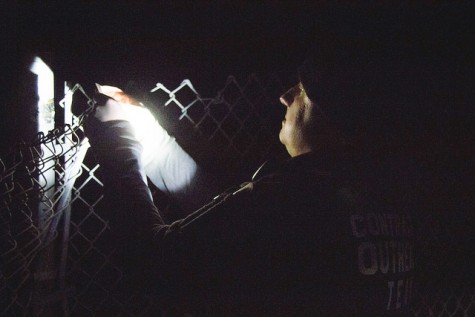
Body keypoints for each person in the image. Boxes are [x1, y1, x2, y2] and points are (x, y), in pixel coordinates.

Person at [84, 46, 420, 315]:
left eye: (302, 90)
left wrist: (118, 144)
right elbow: (227, 211)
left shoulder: (294, 198)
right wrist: (153, 140)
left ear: (333, 114)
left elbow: (152, 262)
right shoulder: (382, 199)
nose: (286, 96)